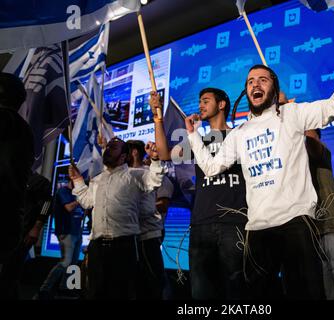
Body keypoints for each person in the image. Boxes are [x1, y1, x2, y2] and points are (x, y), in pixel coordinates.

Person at [185, 17, 334, 299]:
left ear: (273, 87)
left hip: (297, 225)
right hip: (257, 230)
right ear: (246, 92)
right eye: (249, 81)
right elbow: (210, 168)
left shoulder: (292, 116)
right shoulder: (239, 133)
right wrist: (194, 135)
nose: (254, 84)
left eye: (262, 79)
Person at [150, 88, 248, 300]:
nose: (200, 105)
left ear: (221, 104)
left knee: (236, 293)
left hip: (235, 224)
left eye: (206, 101)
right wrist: (157, 117)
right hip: (201, 224)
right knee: (202, 294)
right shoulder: (197, 140)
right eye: (200, 101)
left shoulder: (241, 136)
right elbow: (165, 153)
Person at [69, 137, 165, 299]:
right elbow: (86, 202)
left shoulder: (135, 175)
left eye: (113, 147)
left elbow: (154, 180)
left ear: (123, 157)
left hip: (123, 247)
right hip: (97, 248)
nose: (107, 150)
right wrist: (77, 180)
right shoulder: (97, 180)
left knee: (120, 294)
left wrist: (155, 159)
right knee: (95, 294)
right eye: (108, 147)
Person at [126, 140, 171, 299]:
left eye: (126, 150)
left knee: (154, 278)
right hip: (128, 235)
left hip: (149, 234)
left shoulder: (154, 173)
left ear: (134, 152)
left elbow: (163, 204)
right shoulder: (124, 174)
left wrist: (135, 208)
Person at [305, 129, 334, 300]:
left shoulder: (322, 151)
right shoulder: (299, 158)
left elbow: (312, 144)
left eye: (310, 133)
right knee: (319, 275)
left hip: (330, 225)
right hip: (310, 228)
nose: (305, 136)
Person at [0, 72, 34, 269]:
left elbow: (45, 203)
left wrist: (37, 225)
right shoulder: (24, 130)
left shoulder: (6, 122)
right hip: (11, 222)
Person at [0, 172, 52, 299]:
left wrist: (36, 228)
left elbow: (46, 205)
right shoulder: (9, 178)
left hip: (22, 233)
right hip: (5, 231)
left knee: (11, 272)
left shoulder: (40, 181)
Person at [36, 179, 83, 299]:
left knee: (73, 263)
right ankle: (44, 289)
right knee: (65, 262)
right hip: (66, 231)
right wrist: (81, 198)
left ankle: (66, 288)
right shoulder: (63, 191)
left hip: (77, 231)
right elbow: (68, 208)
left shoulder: (75, 193)